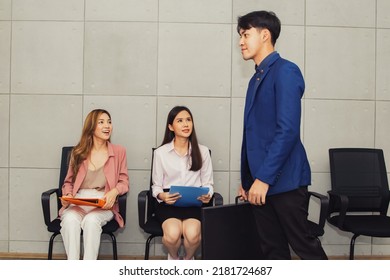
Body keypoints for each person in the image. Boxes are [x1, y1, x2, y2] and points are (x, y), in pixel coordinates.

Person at [236, 11, 327, 260]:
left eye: (246, 34)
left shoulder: (286, 71)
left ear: (265, 35)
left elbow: (287, 131)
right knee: (272, 250)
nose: (240, 42)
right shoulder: (255, 79)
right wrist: (248, 180)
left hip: (284, 180)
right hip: (260, 182)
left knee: (304, 245)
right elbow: (252, 135)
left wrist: (263, 178)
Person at [59, 109, 129, 260]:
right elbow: (68, 182)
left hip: (103, 201)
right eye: (101, 122)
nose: (107, 126)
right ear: (91, 127)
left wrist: (115, 191)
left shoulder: (119, 151)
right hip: (79, 200)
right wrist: (68, 195)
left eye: (109, 122)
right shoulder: (78, 152)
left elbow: (124, 181)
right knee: (70, 220)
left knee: (91, 222)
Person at [151, 106, 214, 260]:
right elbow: (156, 185)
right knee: (172, 235)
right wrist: (162, 196)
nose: (186, 124)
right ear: (171, 127)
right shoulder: (160, 153)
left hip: (194, 203)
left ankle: (187, 260)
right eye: (180, 121)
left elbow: (208, 184)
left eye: (188, 120)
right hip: (169, 203)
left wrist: (208, 195)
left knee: (192, 236)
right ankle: (174, 259)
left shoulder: (202, 151)